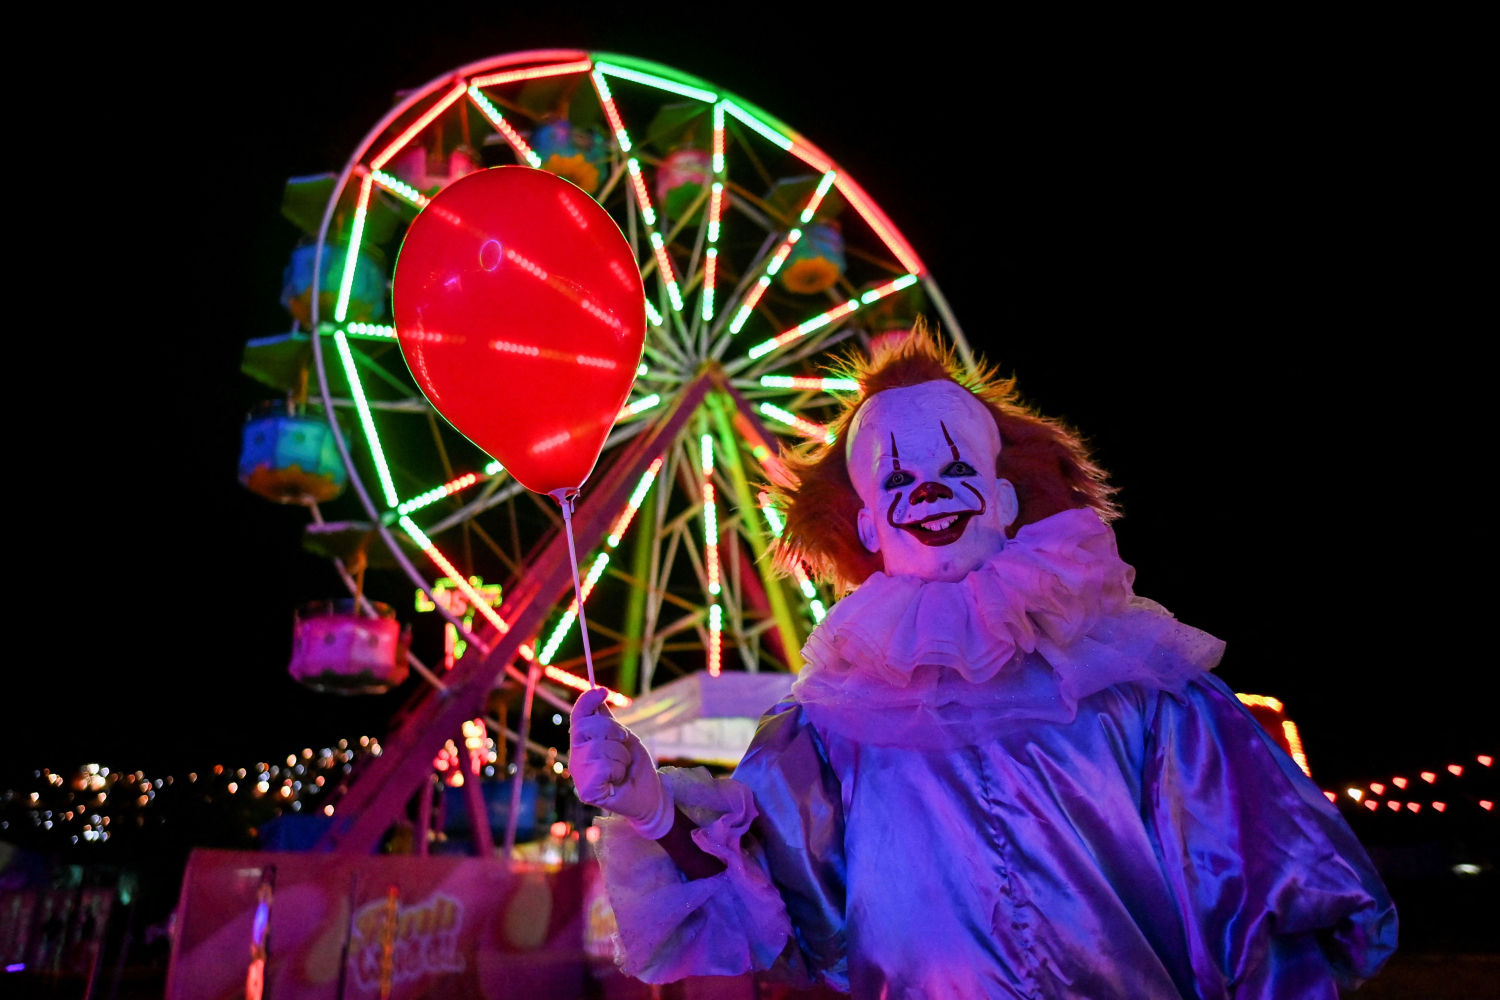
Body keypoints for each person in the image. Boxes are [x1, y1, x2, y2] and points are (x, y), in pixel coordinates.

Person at [569, 322, 1397, 999]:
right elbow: (772, 898)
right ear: (865, 528)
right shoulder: (829, 730)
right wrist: (649, 804)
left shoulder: (1137, 691)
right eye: (897, 479)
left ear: (1004, 500)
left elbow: (1260, 895)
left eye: (956, 467)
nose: (928, 492)